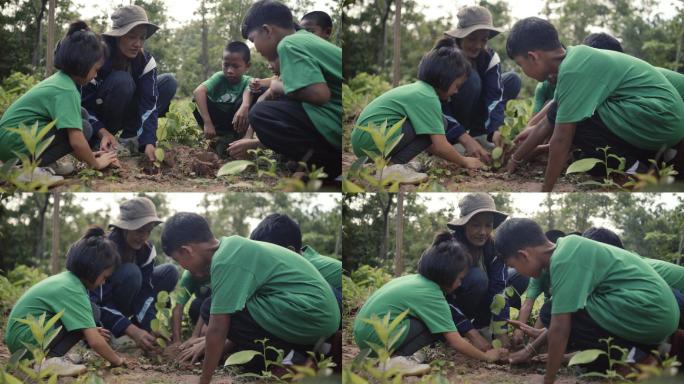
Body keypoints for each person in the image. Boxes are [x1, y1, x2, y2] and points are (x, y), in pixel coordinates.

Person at [505, 17, 684, 191]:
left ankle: (637, 172)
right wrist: (516, 158)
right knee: (569, 121)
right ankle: (646, 165)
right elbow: (547, 121)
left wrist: (546, 190)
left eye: (520, 65)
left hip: (660, 117)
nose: (523, 71)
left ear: (533, 57)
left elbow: (561, 138)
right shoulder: (574, 60)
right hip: (658, 120)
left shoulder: (575, 69)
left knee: (577, 123)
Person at [160, 212, 339, 384]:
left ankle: (294, 361)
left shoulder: (225, 260)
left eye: (178, 261)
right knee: (244, 353)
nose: (182, 267)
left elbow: (217, 327)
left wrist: (204, 380)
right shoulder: (231, 248)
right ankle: (316, 350)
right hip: (317, 315)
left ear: (187, 251)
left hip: (310, 311)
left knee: (209, 307)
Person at [496, 218, 679, 383]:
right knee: (557, 310)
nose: (517, 272)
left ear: (524, 255)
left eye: (513, 266)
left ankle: (634, 359)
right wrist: (529, 351)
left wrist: (547, 379)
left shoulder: (563, 259)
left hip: (649, 311)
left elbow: (561, 327)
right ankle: (639, 355)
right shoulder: (567, 247)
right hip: (655, 314)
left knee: (554, 312)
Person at [353, 231, 508, 376]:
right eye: (460, 279)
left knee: (432, 323)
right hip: (376, 338)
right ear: (447, 276)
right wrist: (486, 357)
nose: (460, 284)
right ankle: (396, 359)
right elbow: (456, 341)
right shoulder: (432, 294)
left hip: (363, 334)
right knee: (437, 328)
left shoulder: (415, 280)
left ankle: (395, 356)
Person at [351, 38, 484, 185]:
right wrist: (464, 161)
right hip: (371, 140)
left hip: (364, 141)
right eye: (456, 85)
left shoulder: (420, 89)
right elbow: (439, 145)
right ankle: (391, 168)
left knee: (440, 122)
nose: (456, 91)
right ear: (444, 79)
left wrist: (449, 157)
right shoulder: (428, 97)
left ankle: (393, 167)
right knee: (442, 123)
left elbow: (430, 143)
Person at [0, 21, 119, 184]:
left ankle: (43, 163)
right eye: (96, 69)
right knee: (84, 128)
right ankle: (23, 170)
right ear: (82, 64)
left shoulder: (62, 81)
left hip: (11, 141)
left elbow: (71, 138)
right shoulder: (66, 90)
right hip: (13, 145)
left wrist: (89, 156)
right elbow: (76, 141)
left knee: (81, 114)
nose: (96, 75)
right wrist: (96, 163)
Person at [241, 0, 342, 179]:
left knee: (261, 114)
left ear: (267, 30)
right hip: (336, 118)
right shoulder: (303, 38)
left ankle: (327, 165)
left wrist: (276, 85)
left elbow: (319, 94)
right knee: (281, 101)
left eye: (253, 40)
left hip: (336, 126)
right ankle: (309, 163)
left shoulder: (288, 44)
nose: (255, 48)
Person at [4, 227, 124, 376]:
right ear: (93, 269)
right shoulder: (72, 289)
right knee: (91, 313)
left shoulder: (68, 281)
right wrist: (117, 361)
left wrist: (87, 331)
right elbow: (95, 342)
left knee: (91, 313)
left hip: (21, 339)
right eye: (104, 277)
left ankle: (50, 360)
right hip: (26, 340)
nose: (103, 283)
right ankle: (45, 363)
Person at [81, 5, 178, 162]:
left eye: (142, 38)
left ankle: (130, 137)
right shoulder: (99, 57)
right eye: (132, 37)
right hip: (102, 116)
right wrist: (102, 131)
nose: (138, 44)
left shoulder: (146, 61)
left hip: (130, 112)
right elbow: (84, 105)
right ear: (118, 36)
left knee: (168, 82)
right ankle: (102, 141)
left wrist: (148, 141)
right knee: (122, 80)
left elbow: (149, 104)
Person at [89, 197, 179, 352]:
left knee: (170, 272)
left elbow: (146, 292)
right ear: (125, 228)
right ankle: (117, 331)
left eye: (148, 231)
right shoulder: (105, 249)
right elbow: (98, 300)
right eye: (139, 231)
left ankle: (141, 332)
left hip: (131, 298)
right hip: (101, 306)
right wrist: (130, 329)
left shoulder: (147, 250)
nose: (143, 237)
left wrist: (150, 324)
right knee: (132, 272)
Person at [445, 193, 524, 350]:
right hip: (458, 303)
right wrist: (470, 332)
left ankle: (484, 326)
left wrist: (501, 331)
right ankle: (469, 329)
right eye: (476, 225)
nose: (483, 232)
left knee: (520, 274)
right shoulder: (451, 249)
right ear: (464, 225)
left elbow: (499, 287)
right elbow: (442, 298)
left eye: (488, 225)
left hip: (485, 299)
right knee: (478, 278)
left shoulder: (494, 247)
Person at [441, 6, 521, 149]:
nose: (478, 45)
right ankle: (457, 139)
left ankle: (479, 134)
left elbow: (494, 96)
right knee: (471, 78)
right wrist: (461, 135)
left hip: (476, 110)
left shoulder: (489, 57)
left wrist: (495, 129)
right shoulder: (444, 57)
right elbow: (438, 105)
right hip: (450, 118)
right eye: (472, 39)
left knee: (512, 80)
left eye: (483, 40)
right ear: (460, 37)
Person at [193, 41, 253, 158]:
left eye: (235, 66)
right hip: (217, 121)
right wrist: (207, 123)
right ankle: (216, 135)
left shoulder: (248, 80)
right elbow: (198, 91)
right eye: (226, 65)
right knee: (196, 99)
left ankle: (239, 137)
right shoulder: (219, 77)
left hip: (236, 121)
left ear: (247, 66)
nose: (230, 70)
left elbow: (250, 89)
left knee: (251, 99)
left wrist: (245, 106)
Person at [511, 229, 565, 346]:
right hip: (548, 315)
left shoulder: (565, 268)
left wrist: (531, 346)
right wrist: (519, 329)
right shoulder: (540, 272)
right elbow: (528, 304)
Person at [170, 270, 210, 345]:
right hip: (203, 305)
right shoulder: (189, 274)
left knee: (207, 332)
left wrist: (195, 335)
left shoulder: (217, 270)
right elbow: (178, 308)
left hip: (222, 306)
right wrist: (176, 341)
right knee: (195, 305)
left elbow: (213, 304)